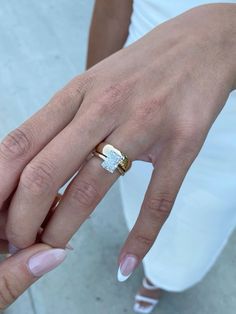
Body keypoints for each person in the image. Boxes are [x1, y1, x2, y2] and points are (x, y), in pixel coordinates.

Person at [0, 1, 235, 312]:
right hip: (139, 90)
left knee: (198, 226)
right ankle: (149, 267)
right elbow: (112, 9)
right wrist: (99, 110)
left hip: (225, 123)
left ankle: (161, 278)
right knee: (138, 197)